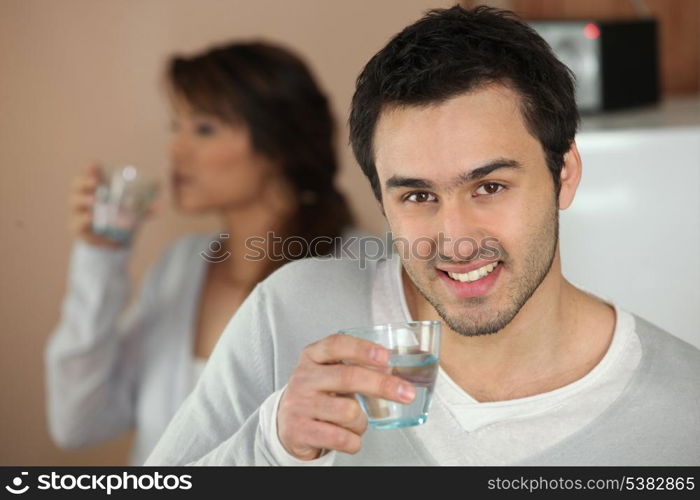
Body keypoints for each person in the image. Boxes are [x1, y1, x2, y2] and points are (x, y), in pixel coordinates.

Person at [144, 6, 700, 466]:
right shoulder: (290, 312)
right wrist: (268, 445)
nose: (454, 240)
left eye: (489, 187)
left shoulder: (683, 416)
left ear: (564, 176)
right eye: (417, 196)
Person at [45, 40, 359, 465]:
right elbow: (78, 422)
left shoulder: (351, 272)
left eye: (205, 128)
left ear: (278, 143)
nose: (176, 149)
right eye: (176, 126)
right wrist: (100, 258)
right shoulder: (180, 266)